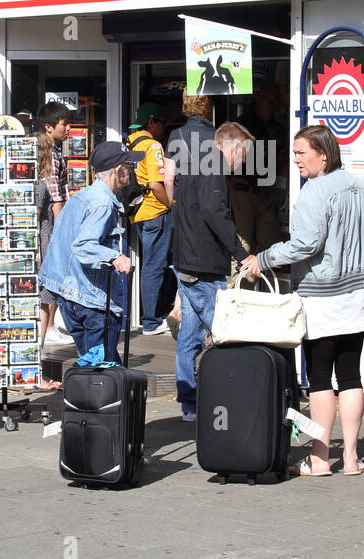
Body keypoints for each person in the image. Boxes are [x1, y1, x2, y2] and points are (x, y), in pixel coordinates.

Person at [240, 124, 364, 477]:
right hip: (357, 292)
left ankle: (319, 457)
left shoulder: (314, 192)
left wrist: (263, 258)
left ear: (324, 155)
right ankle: (350, 457)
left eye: (301, 153)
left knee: (319, 378)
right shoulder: (360, 187)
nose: (296, 159)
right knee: (350, 375)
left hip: (322, 295)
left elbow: (305, 245)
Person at [168, 99, 256, 422]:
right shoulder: (214, 164)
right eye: (243, 155)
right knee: (223, 333)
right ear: (231, 148)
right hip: (203, 263)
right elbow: (215, 212)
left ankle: (190, 402)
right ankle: (231, 399)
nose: (242, 162)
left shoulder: (197, 162)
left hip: (190, 258)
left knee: (191, 332)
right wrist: (241, 253)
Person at [37, 141, 141, 364]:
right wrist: (115, 256)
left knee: (94, 367)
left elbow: (61, 241)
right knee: (102, 371)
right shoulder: (102, 203)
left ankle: (91, 397)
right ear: (117, 170)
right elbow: (83, 246)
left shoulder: (81, 196)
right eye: (129, 165)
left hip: (72, 297)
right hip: (90, 301)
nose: (132, 171)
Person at [126, 102, 173, 336]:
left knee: (149, 266)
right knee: (154, 267)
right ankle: (151, 321)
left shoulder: (129, 144)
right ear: (152, 122)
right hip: (155, 211)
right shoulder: (153, 146)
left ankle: (149, 317)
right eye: (162, 122)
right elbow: (155, 184)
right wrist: (171, 205)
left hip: (137, 212)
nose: (164, 127)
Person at [35, 101, 73, 346]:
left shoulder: (47, 151)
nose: (68, 128)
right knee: (50, 278)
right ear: (49, 127)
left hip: (46, 226)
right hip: (48, 227)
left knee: (48, 279)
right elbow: (56, 198)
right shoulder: (51, 156)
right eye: (64, 124)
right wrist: (63, 235)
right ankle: (46, 329)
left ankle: (47, 328)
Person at [232, 82, 285, 256]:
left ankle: (270, 283)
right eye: (267, 99)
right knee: (243, 246)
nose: (271, 104)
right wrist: (227, 179)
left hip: (266, 193)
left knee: (273, 248)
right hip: (243, 192)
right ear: (258, 100)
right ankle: (240, 284)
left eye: (274, 100)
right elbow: (221, 155)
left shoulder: (278, 129)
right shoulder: (243, 125)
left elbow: (283, 159)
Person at [32, 131, 66, 388]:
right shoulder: (40, 182)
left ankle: (33, 368)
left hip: (39, 246)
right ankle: (35, 368)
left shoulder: (31, 180)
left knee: (44, 303)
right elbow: (35, 217)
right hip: (42, 247)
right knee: (44, 304)